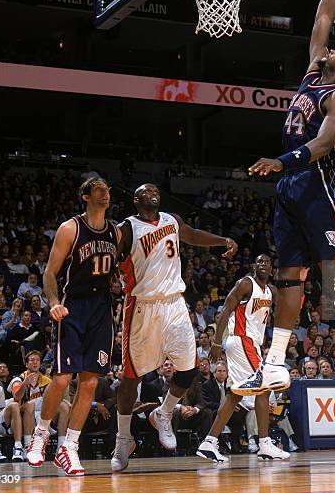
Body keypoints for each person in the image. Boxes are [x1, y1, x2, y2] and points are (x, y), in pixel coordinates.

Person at [235, 0, 335, 397]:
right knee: (288, 275)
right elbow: (322, 17)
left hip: (319, 180)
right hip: (292, 184)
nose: (328, 45)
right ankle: (274, 364)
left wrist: (281, 161)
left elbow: (322, 144)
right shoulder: (314, 75)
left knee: (334, 270)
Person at [111, 183, 238, 472]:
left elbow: (192, 235)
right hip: (141, 306)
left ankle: (164, 413)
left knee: (189, 368)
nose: (152, 192)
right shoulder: (126, 228)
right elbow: (109, 262)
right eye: (145, 190)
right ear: (136, 199)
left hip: (174, 303)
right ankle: (123, 438)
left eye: (155, 189)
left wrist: (223, 240)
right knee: (131, 376)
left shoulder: (172, 220)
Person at [26, 176, 118, 476]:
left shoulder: (115, 232)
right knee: (64, 377)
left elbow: (118, 271)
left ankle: (70, 447)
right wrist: (53, 302)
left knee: (90, 381)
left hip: (102, 308)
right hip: (74, 306)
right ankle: (41, 433)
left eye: (107, 190)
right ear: (85, 196)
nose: (105, 194)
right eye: (99, 190)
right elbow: (50, 273)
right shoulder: (71, 228)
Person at [196, 254, 289, 462]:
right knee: (263, 387)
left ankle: (209, 443)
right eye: (259, 261)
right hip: (241, 340)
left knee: (237, 393)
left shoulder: (269, 291)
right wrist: (217, 342)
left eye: (267, 262)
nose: (263, 264)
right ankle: (265, 444)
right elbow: (226, 310)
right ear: (253, 265)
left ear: (272, 268)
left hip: (250, 343)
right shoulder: (246, 283)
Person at [8, 350, 70, 453]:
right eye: (32, 360)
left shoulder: (47, 381)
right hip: (23, 414)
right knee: (30, 405)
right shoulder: (18, 379)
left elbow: (54, 400)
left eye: (37, 360)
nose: (35, 362)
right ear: (27, 364)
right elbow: (17, 397)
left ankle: (61, 446)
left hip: (42, 414)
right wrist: (25, 383)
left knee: (64, 406)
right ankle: (28, 445)